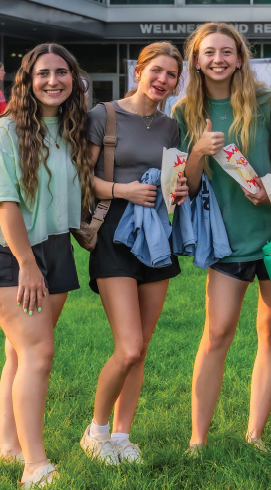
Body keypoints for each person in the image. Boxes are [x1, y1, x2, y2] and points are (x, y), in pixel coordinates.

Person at [0, 43, 92, 488]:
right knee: (39, 353)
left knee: (20, 350)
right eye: (43, 73)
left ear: (73, 80)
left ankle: (8, 444)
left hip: (55, 246)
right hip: (9, 249)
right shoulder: (6, 129)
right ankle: (34, 465)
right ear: (28, 79)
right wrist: (26, 263)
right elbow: (4, 200)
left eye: (62, 73)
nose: (53, 81)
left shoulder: (71, 128)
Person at [173, 22, 271, 452]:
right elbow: (191, 187)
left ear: (240, 57)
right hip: (228, 241)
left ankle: (255, 433)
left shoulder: (269, 104)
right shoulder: (185, 111)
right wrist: (198, 151)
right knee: (217, 333)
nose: (217, 59)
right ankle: (198, 438)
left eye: (226, 51)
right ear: (197, 60)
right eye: (208, 52)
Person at [80, 42, 188, 465]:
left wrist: (175, 189)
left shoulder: (170, 128)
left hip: (155, 235)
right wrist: (122, 189)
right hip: (113, 234)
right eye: (156, 71)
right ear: (138, 71)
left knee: (141, 346)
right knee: (127, 346)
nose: (162, 80)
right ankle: (97, 430)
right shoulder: (103, 116)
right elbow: (81, 178)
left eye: (171, 76)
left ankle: (123, 436)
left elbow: (172, 179)